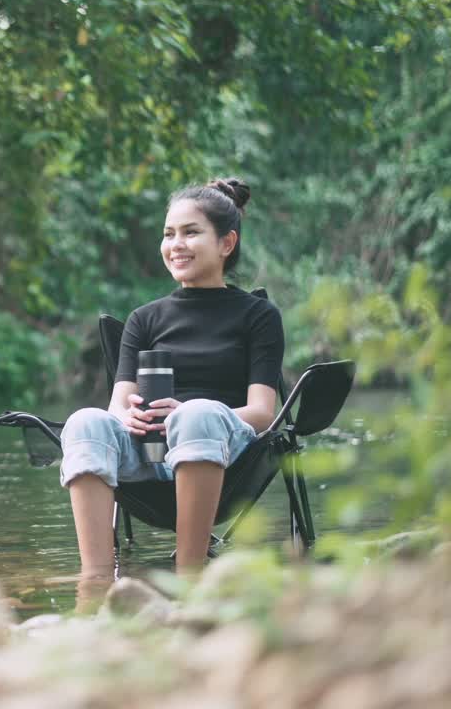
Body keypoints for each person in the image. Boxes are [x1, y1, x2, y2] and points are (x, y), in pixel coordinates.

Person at [58, 178, 284, 580]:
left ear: (226, 243)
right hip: (149, 455)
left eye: (191, 232)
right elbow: (118, 405)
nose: (175, 244)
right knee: (85, 422)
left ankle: (189, 575)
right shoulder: (144, 318)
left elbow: (264, 413)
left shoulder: (257, 315)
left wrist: (190, 413)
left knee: (196, 414)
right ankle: (94, 581)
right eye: (168, 234)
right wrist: (128, 418)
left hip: (224, 452)